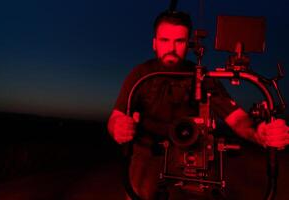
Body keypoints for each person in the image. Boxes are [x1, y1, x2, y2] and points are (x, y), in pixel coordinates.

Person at [107, 11, 289, 200]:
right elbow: (116, 118)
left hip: (192, 155)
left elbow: (237, 119)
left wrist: (261, 134)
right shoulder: (141, 75)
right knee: (137, 192)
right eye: (164, 40)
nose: (172, 47)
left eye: (179, 41)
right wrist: (120, 128)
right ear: (154, 43)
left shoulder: (203, 76)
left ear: (188, 44)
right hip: (149, 154)